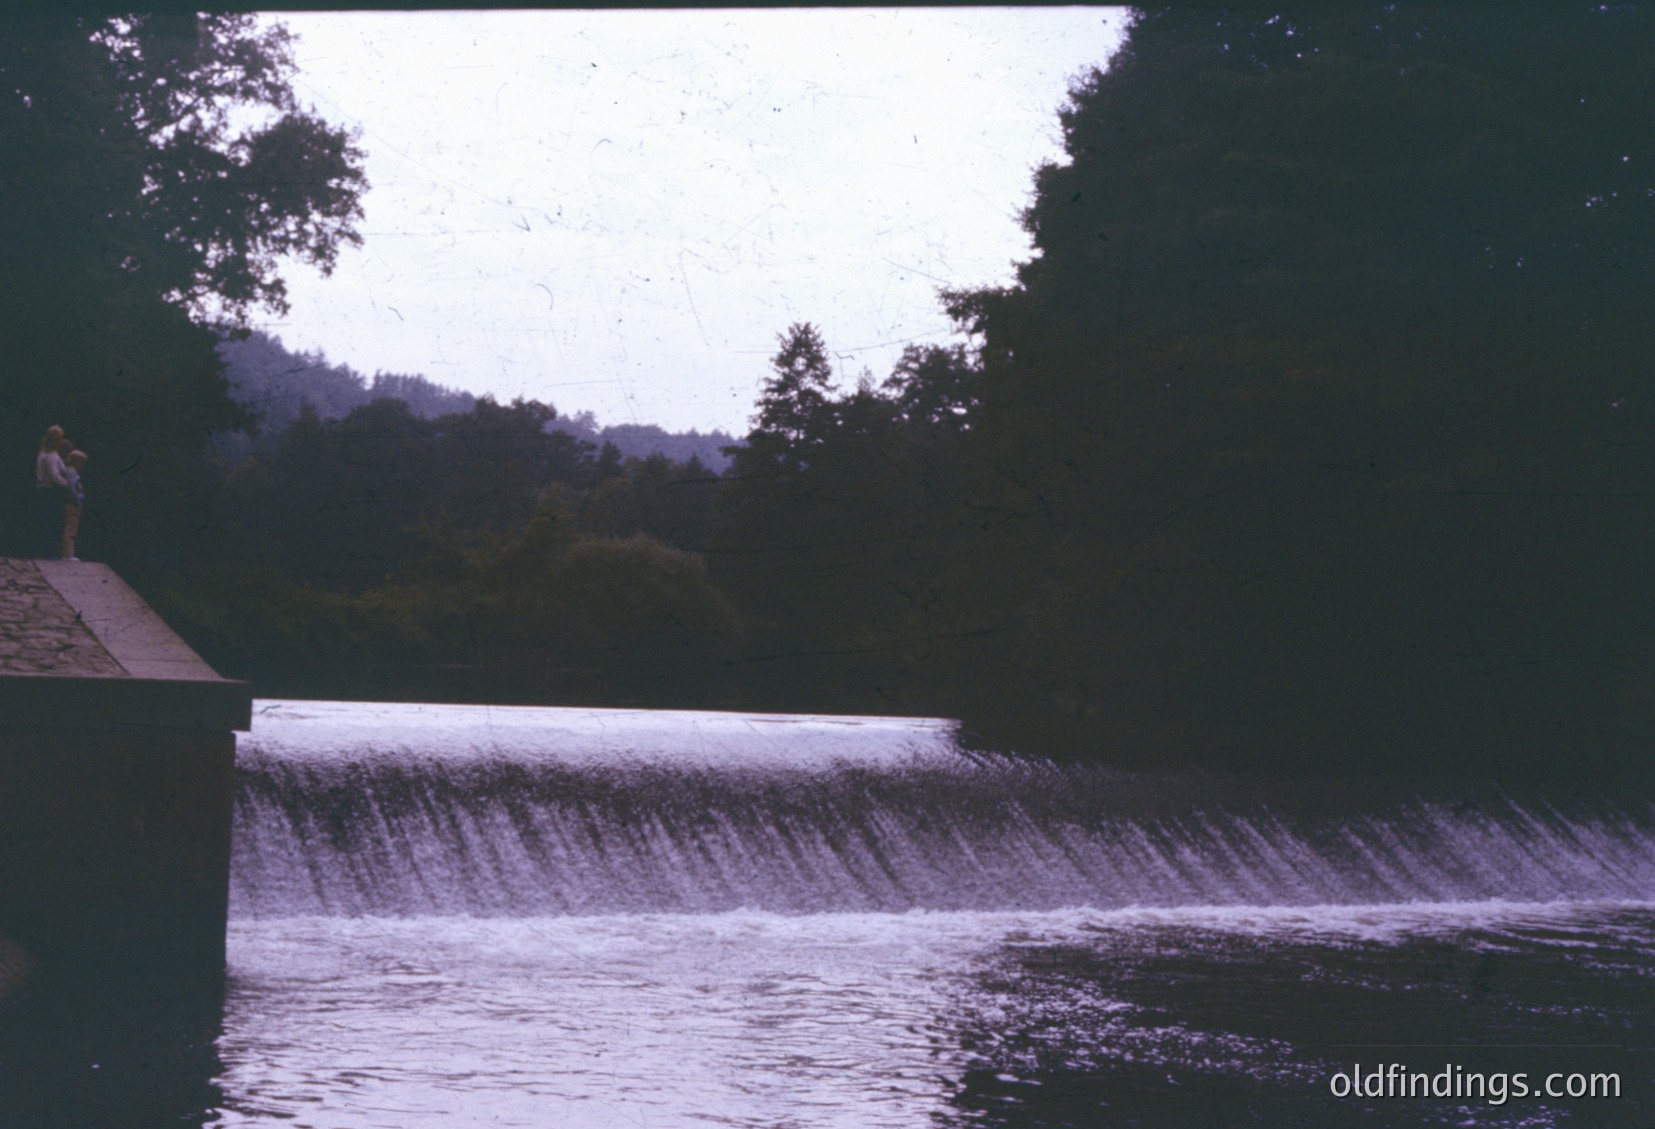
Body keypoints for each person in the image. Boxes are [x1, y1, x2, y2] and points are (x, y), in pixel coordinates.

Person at [34, 426, 71, 558]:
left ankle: (48, 552)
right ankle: (51, 554)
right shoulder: (50, 457)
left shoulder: (43, 454)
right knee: (53, 523)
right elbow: (55, 477)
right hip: (50, 492)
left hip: (43, 491)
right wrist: (68, 485)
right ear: (55, 440)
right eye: (60, 438)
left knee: (47, 522)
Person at [60, 449, 87, 561]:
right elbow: (71, 488)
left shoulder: (71, 471)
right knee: (70, 529)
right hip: (72, 504)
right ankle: (68, 555)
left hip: (73, 503)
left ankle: (68, 553)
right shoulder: (71, 472)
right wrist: (77, 499)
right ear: (77, 462)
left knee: (71, 529)